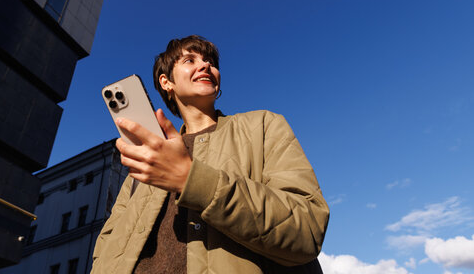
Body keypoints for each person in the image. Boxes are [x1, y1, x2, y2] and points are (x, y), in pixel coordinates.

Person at [91, 36, 329, 274]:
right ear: (166, 82)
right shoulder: (147, 161)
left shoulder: (263, 125)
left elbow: (307, 229)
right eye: (189, 59)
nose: (205, 65)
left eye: (210, 61)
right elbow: (105, 246)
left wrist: (191, 180)